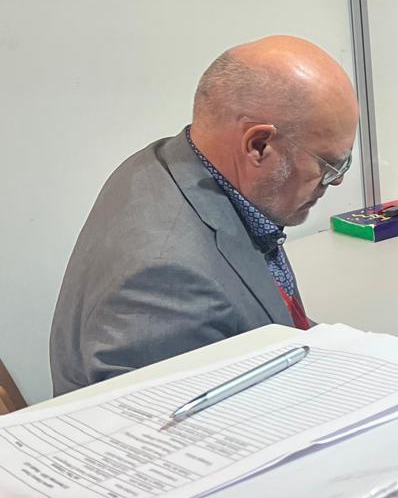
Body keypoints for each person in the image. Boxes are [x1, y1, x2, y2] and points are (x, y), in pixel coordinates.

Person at [50, 36, 359, 393]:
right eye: (328, 165)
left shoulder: (168, 164)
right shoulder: (168, 280)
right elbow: (174, 438)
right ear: (258, 146)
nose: (334, 182)